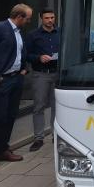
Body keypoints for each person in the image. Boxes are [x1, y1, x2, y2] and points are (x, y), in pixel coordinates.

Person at [0, 4, 32, 172]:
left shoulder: (19, 32)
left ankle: (3, 149)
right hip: (1, 81)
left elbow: (20, 52)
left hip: (16, 78)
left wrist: (24, 68)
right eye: (28, 18)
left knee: (10, 116)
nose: (29, 21)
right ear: (19, 16)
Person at [25, 9, 59, 152]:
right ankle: (38, 138)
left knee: (57, 106)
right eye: (47, 18)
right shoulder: (33, 35)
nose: (50, 20)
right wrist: (39, 58)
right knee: (39, 106)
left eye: (52, 17)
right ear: (41, 19)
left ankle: (56, 135)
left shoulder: (61, 33)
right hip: (41, 74)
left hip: (58, 74)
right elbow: (26, 54)